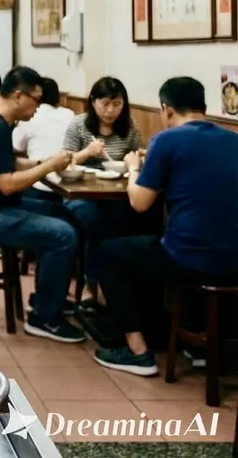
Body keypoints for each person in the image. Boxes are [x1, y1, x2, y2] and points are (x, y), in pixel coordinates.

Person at [94, 77, 238, 377]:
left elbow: (140, 202)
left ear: (165, 109)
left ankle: (137, 352)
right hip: (233, 259)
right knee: (149, 244)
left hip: (188, 259)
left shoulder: (166, 140)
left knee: (107, 252)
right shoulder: (232, 140)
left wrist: (135, 169)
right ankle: (199, 347)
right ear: (204, 107)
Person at [0, 66, 84, 343]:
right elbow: (7, 183)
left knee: (66, 214)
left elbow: (6, 163)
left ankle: (48, 297)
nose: (38, 107)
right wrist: (48, 165)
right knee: (63, 234)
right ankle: (43, 318)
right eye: (36, 100)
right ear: (19, 96)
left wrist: (41, 163)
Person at [62, 77, 149, 290]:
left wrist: (139, 160)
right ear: (93, 102)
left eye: (117, 104)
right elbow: (64, 162)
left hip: (117, 194)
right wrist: (86, 153)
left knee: (134, 219)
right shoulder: (79, 125)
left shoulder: (130, 127)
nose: (111, 110)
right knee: (97, 222)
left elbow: (138, 155)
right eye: (105, 104)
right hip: (81, 195)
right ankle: (95, 283)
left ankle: (119, 284)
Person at [13, 77, 76, 202]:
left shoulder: (30, 116)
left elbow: (16, 146)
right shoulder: (70, 114)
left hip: (38, 186)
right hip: (68, 185)